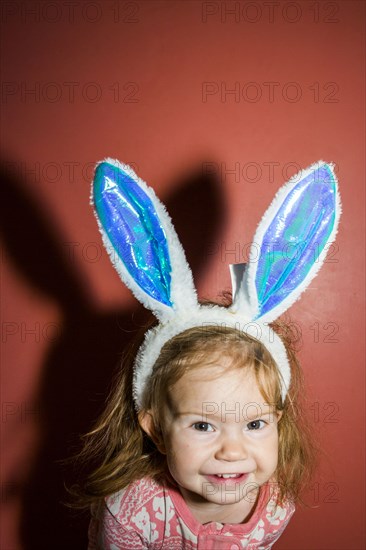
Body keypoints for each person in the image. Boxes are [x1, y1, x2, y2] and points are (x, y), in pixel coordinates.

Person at [73, 159, 341, 549]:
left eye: (254, 425)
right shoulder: (130, 512)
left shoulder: (276, 506)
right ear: (156, 430)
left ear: (279, 422)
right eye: (202, 426)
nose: (232, 452)